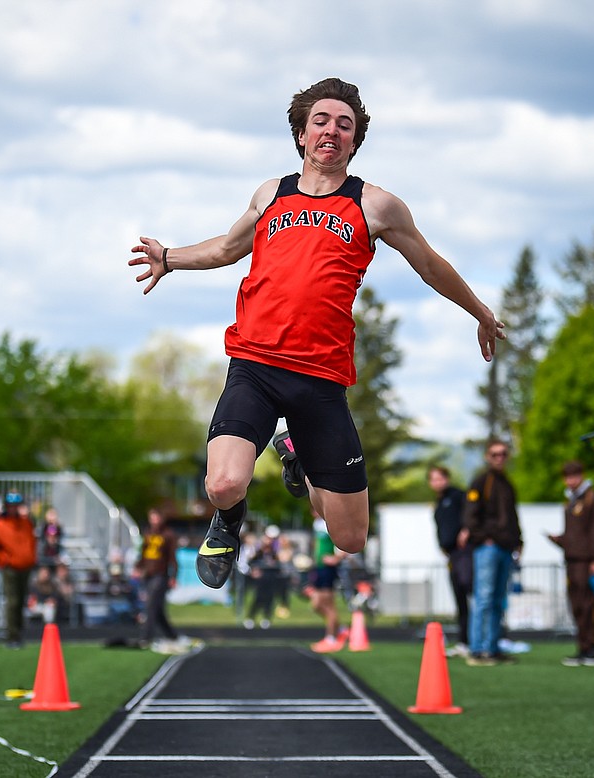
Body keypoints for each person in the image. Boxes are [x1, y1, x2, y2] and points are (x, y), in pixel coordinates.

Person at [129, 77, 505, 591]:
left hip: (321, 379)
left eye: (344, 124)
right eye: (321, 121)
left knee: (349, 536)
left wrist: (479, 312)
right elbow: (225, 249)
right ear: (302, 135)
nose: (332, 130)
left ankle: (295, 453)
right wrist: (169, 258)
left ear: (355, 140)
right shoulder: (271, 193)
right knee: (223, 483)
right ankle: (229, 521)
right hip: (256, 366)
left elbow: (430, 265)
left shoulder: (376, 206)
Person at [460, 440, 523, 666]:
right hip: (487, 548)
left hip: (506, 547)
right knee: (484, 599)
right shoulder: (480, 482)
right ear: (488, 456)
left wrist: (518, 541)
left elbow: (513, 516)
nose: (499, 458)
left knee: (498, 600)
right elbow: (470, 516)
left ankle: (492, 647)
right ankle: (477, 649)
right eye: (495, 454)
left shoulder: (507, 483)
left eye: (503, 454)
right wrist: (483, 538)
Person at [548, 461, 594, 666]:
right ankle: (583, 647)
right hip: (572, 561)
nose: (570, 481)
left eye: (573, 476)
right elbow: (575, 534)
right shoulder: (571, 501)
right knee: (576, 606)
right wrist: (560, 540)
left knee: (589, 605)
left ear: (581, 476)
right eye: (567, 477)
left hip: (587, 562)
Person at [0, 491, 38, 649]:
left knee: (22, 601)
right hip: (11, 568)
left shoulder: (26, 522)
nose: (14, 509)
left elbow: (31, 542)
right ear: (7, 507)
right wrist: (4, 561)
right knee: (12, 601)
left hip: (26, 566)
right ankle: (12, 636)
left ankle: (19, 633)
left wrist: (31, 558)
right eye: (11, 506)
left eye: (16, 506)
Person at [428, 465, 471, 656]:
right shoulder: (439, 503)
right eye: (434, 479)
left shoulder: (458, 496)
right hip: (452, 554)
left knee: (471, 592)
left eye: (440, 478)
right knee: (459, 597)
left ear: (447, 478)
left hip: (464, 553)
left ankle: (481, 639)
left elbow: (472, 514)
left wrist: (466, 530)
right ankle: (465, 641)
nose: (437, 483)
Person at [133, 508, 182, 652]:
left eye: (156, 517)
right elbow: (143, 553)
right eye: (152, 517)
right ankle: (172, 635)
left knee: (150, 605)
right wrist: (138, 567)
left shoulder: (168, 535)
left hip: (160, 575)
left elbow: (173, 558)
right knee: (157, 609)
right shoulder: (148, 533)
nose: (154, 520)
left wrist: (173, 577)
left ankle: (145, 638)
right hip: (148, 574)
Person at [307, 515, 349, 653]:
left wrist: (337, 558)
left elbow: (347, 542)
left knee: (328, 604)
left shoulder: (330, 522)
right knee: (316, 604)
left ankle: (331, 638)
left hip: (327, 569)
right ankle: (341, 629)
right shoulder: (317, 523)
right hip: (319, 568)